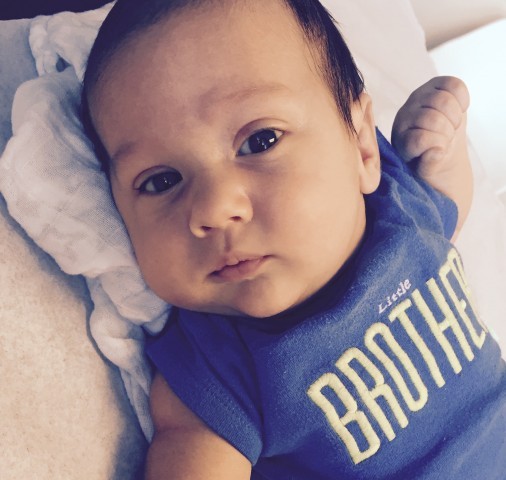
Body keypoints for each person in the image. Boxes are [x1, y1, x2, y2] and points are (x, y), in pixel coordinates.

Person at [81, 0, 506, 478]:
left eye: (260, 141)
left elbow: (448, 211)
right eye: (161, 181)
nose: (214, 209)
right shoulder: (219, 368)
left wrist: (443, 154)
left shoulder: (397, 204)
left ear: (364, 149)